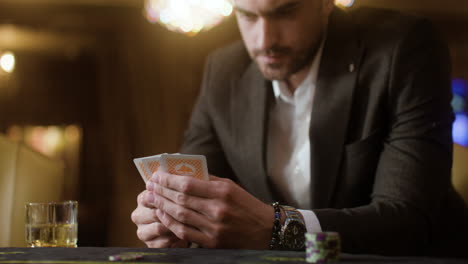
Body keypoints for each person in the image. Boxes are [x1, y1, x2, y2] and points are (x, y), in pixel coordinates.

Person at [131, 0, 468, 257]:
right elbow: (195, 190)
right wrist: (174, 218)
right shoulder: (224, 70)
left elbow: (408, 219)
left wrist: (279, 228)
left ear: (325, 3)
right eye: (247, 16)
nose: (265, 40)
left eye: (285, 12)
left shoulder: (402, 47)